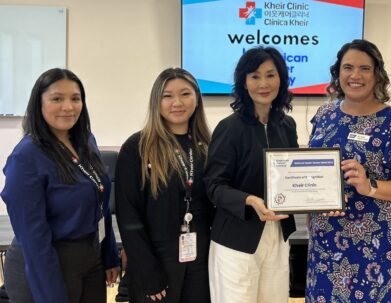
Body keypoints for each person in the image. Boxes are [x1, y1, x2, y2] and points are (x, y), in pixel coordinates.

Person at [305, 39, 391, 302]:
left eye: (364, 68)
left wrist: (370, 186)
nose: (355, 75)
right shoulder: (325, 114)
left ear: (377, 75)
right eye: (348, 67)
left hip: (379, 244)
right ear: (338, 73)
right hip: (328, 240)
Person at [1, 68, 120, 303]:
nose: (68, 106)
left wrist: (109, 255)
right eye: (57, 98)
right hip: (45, 262)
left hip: (90, 257)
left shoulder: (86, 140)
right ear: (39, 103)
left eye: (75, 99)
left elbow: (99, 200)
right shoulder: (26, 157)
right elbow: (34, 238)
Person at [204, 46, 298, 303]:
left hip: (277, 234)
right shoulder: (229, 128)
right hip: (237, 238)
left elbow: (294, 177)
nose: (263, 83)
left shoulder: (287, 126)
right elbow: (214, 185)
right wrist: (249, 200)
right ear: (244, 82)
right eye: (255, 76)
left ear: (281, 78)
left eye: (271, 75)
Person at [115, 68, 213, 302]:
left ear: (197, 99)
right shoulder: (137, 147)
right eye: (167, 96)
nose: (177, 102)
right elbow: (128, 216)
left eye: (185, 94)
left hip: (200, 264)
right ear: (156, 101)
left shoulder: (207, 145)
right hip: (155, 263)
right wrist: (147, 273)